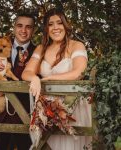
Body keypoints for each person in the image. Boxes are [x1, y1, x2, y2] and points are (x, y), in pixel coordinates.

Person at [22, 8, 92, 150]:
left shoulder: (76, 45)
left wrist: (50, 78)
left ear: (65, 25)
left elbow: (79, 72)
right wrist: (35, 78)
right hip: (47, 109)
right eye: (50, 24)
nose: (55, 27)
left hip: (73, 106)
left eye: (59, 23)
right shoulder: (41, 48)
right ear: (46, 29)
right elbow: (26, 72)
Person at [0, 12, 36, 150]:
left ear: (33, 30)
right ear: (14, 27)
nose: (23, 30)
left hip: (25, 114)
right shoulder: (0, 44)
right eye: (19, 26)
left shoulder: (37, 51)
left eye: (28, 27)